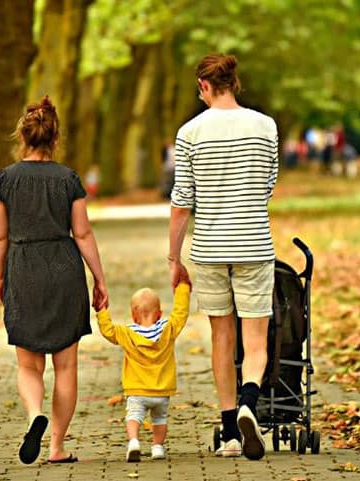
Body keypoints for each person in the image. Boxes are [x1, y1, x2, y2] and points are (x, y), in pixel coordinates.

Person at [168, 54, 278, 461]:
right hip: (253, 244)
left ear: (204, 86)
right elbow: (268, 185)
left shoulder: (190, 132)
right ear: (235, 82)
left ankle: (231, 431)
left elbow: (182, 201)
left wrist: (173, 257)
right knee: (255, 338)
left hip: (210, 249)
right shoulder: (265, 126)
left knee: (221, 337)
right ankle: (251, 400)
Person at [0, 96, 109, 465]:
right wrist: (99, 279)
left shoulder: (6, 180)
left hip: (23, 268)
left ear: (23, 137)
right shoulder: (68, 178)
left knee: (29, 366)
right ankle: (56, 447)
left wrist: (1, 277)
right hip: (63, 268)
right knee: (67, 367)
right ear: (55, 138)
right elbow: (84, 234)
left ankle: (33, 416)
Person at [96, 282, 191, 462]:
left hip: (136, 391)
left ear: (133, 315)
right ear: (159, 314)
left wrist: (102, 311)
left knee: (133, 416)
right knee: (160, 419)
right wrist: (182, 289)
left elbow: (107, 331)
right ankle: (157, 448)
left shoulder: (126, 333)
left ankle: (133, 442)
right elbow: (181, 314)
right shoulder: (168, 329)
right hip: (162, 391)